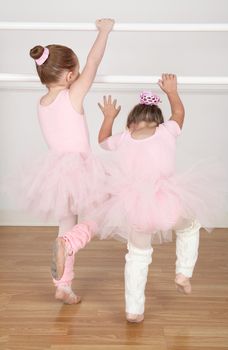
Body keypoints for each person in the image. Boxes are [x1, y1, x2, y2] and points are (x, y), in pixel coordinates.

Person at [52, 74, 222, 321]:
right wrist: (172, 91)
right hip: (167, 203)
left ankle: (134, 310)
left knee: (137, 256)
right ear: (158, 122)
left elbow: (102, 141)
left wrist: (109, 117)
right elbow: (179, 114)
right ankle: (183, 272)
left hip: (134, 208)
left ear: (130, 124)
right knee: (189, 227)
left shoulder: (123, 139)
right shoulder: (166, 131)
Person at [26, 18, 115, 304]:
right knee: (99, 216)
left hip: (55, 172)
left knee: (66, 223)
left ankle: (63, 285)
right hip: (80, 168)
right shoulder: (72, 95)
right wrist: (104, 31)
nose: (79, 76)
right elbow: (94, 61)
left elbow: (84, 65)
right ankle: (68, 244)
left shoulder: (42, 103)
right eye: (76, 73)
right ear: (68, 76)